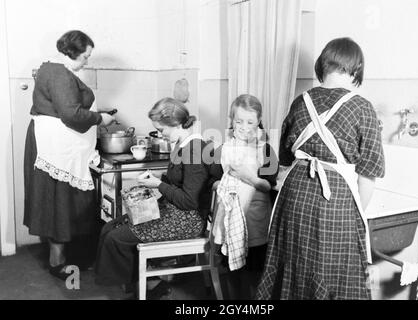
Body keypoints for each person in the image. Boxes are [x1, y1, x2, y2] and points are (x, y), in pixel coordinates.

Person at [256, 37, 385, 300]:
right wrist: (355, 213)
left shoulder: (300, 101)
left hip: (294, 196)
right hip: (334, 199)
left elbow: (284, 158)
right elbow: (369, 172)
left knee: (293, 267)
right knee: (334, 272)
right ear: (356, 69)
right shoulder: (362, 107)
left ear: (322, 66)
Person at [94, 97, 218, 299]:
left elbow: (190, 201)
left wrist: (158, 184)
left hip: (187, 221)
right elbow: (179, 182)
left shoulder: (194, 150)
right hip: (174, 212)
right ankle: (150, 284)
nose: (160, 134)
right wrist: (157, 179)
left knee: (117, 238)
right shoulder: (182, 145)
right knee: (110, 227)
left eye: (162, 130)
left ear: (176, 124)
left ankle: (146, 287)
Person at [23, 30, 116, 280]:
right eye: (85, 56)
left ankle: (63, 256)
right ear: (71, 52)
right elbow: (71, 114)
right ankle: (58, 261)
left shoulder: (53, 69)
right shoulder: (59, 73)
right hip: (55, 149)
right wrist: (100, 118)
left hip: (56, 145)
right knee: (60, 202)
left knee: (60, 201)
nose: (87, 61)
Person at [212, 94, 278, 299]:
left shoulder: (265, 149)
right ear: (232, 121)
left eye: (250, 122)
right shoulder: (224, 149)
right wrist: (221, 185)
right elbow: (213, 181)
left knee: (254, 272)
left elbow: (267, 186)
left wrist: (247, 177)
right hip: (230, 218)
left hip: (255, 219)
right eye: (238, 121)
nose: (244, 126)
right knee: (232, 269)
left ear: (258, 121)